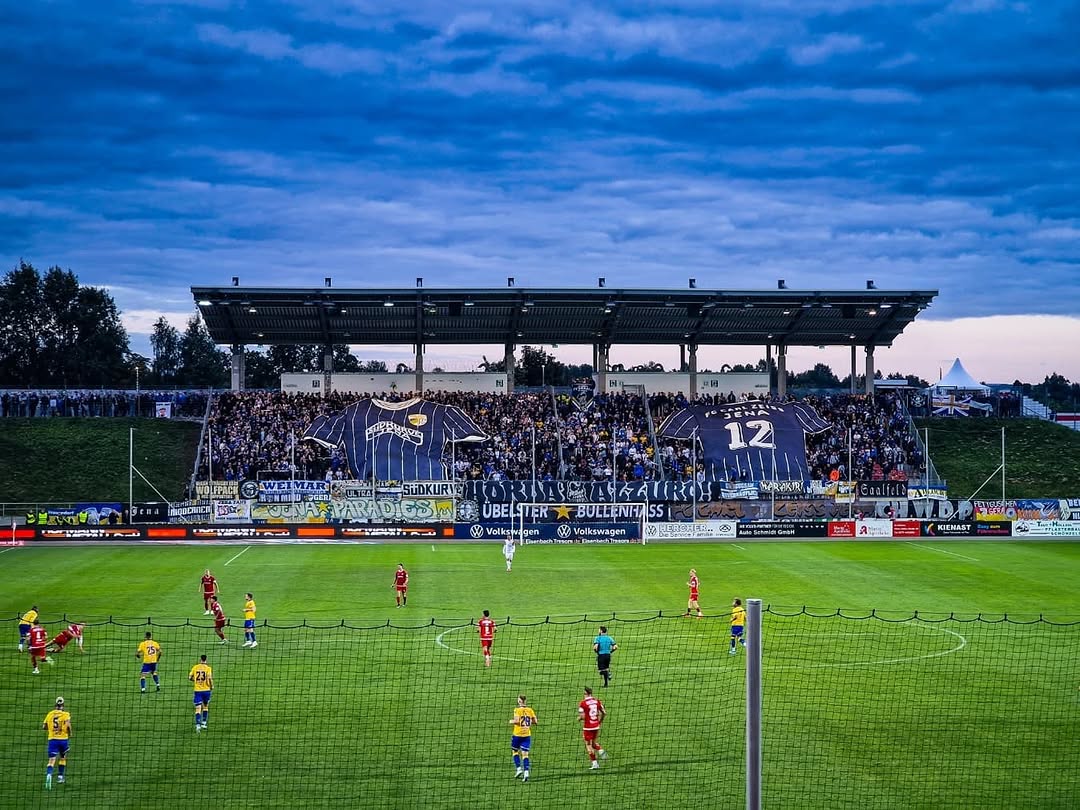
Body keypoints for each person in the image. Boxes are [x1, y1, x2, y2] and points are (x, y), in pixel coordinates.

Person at [42, 696, 71, 790]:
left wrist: (51, 729)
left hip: (52, 740)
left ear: (55, 705)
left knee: (51, 760)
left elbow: (44, 727)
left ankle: (49, 774)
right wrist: (70, 733)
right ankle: (60, 777)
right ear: (63, 705)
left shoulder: (50, 714)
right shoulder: (66, 714)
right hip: (63, 740)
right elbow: (68, 726)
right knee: (62, 757)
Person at [509, 694, 537, 782]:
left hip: (517, 735)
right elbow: (535, 721)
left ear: (519, 701)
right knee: (525, 755)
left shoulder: (517, 710)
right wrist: (527, 723)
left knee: (515, 751)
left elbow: (517, 721)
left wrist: (511, 721)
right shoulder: (530, 710)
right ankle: (526, 773)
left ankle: (518, 769)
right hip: (527, 735)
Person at [578, 687, 607, 769]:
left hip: (588, 728)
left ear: (586, 694)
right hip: (596, 726)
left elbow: (582, 716)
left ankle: (595, 764)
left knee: (588, 745)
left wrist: (579, 718)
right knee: (593, 743)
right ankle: (600, 750)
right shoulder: (597, 701)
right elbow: (604, 713)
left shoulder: (583, 703)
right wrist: (600, 721)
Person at [188, 654, 214, 732]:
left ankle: (198, 725)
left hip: (198, 691)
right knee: (205, 706)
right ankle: (204, 723)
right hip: (206, 690)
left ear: (200, 660)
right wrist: (211, 686)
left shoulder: (195, 667)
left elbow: (190, 677)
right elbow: (209, 678)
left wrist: (195, 680)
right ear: (206, 660)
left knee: (198, 708)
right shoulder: (208, 668)